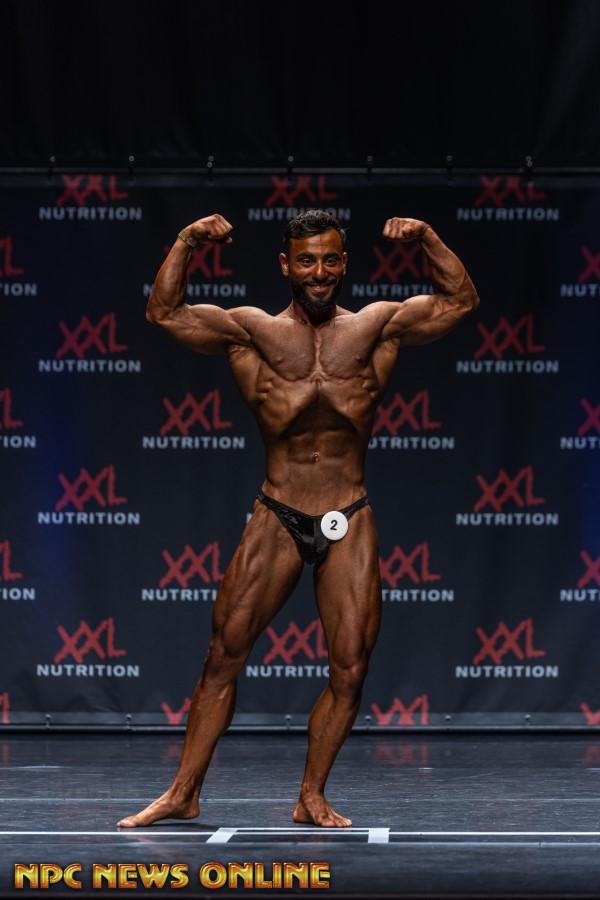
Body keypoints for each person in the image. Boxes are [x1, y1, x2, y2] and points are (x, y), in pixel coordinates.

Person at [117, 210, 479, 829]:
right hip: (278, 511)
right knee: (223, 655)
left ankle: (312, 795)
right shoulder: (252, 331)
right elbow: (165, 313)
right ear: (286, 265)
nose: (319, 272)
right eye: (307, 260)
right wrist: (186, 239)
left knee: (350, 667)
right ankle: (182, 793)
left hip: (348, 511)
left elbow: (459, 301)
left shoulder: (375, 327)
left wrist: (426, 237)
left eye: (330, 259)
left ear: (345, 263)